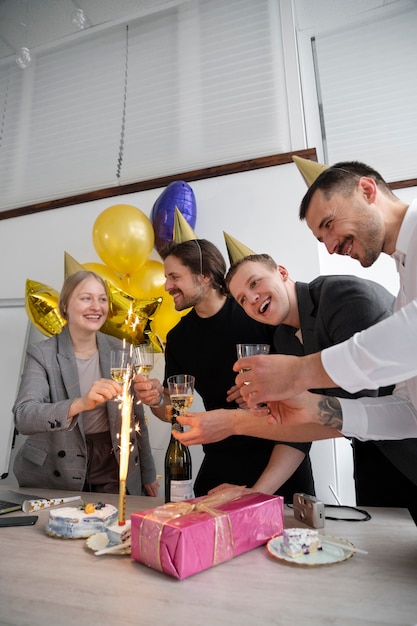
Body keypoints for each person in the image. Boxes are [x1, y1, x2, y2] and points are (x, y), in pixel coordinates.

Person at [174, 253, 417, 515]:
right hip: (373, 457)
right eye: (242, 299)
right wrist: (258, 493)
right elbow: (301, 432)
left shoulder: (342, 296)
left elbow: (352, 409)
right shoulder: (285, 339)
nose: (252, 299)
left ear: (282, 272)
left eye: (255, 283)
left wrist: (232, 422)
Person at [229, 161, 417, 445]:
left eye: (329, 224)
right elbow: (411, 411)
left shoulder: (345, 296)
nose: (330, 248)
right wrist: (311, 408)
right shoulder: (404, 287)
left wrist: (298, 374)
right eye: (321, 239)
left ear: (367, 191)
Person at [134, 239, 315, 501]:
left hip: (281, 456)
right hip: (221, 460)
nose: (167, 286)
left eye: (174, 277)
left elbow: (302, 385)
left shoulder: (259, 312)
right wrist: (155, 400)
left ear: (204, 276)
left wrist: (264, 393)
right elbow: (172, 409)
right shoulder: (180, 337)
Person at [13, 270, 158, 495]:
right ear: (65, 306)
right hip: (53, 467)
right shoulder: (42, 354)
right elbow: (24, 416)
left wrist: (147, 473)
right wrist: (80, 403)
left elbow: (136, 419)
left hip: (112, 462)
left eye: (102, 299)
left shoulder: (121, 351)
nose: (96, 306)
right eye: (86, 298)